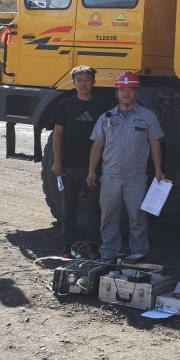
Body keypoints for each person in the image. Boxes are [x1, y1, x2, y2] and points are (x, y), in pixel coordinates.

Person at [87, 71, 165, 261]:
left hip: (136, 177)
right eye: (122, 90)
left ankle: (139, 254)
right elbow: (97, 144)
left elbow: (155, 143)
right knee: (109, 218)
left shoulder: (147, 116)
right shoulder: (106, 118)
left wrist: (158, 169)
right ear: (116, 93)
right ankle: (109, 253)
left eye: (131, 89)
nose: (126, 93)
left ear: (137, 92)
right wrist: (91, 171)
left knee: (137, 218)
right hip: (110, 177)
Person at [50, 65, 113, 257]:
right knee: (68, 210)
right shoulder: (65, 105)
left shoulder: (103, 106)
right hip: (69, 166)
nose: (83, 84)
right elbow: (58, 134)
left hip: (93, 168)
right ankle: (67, 248)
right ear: (73, 82)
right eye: (79, 80)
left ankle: (93, 250)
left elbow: (109, 136)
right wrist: (57, 162)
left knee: (94, 209)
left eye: (87, 80)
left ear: (93, 82)